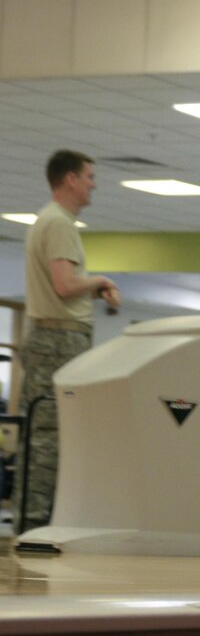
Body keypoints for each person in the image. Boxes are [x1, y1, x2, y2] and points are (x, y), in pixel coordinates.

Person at [19, 150, 120, 532]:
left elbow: (60, 286)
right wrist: (101, 281)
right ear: (70, 180)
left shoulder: (51, 221)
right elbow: (64, 286)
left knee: (50, 435)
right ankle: (35, 527)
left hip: (53, 337)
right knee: (49, 438)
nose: (94, 183)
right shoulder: (59, 223)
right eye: (90, 176)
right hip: (58, 341)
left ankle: (39, 525)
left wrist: (92, 291)